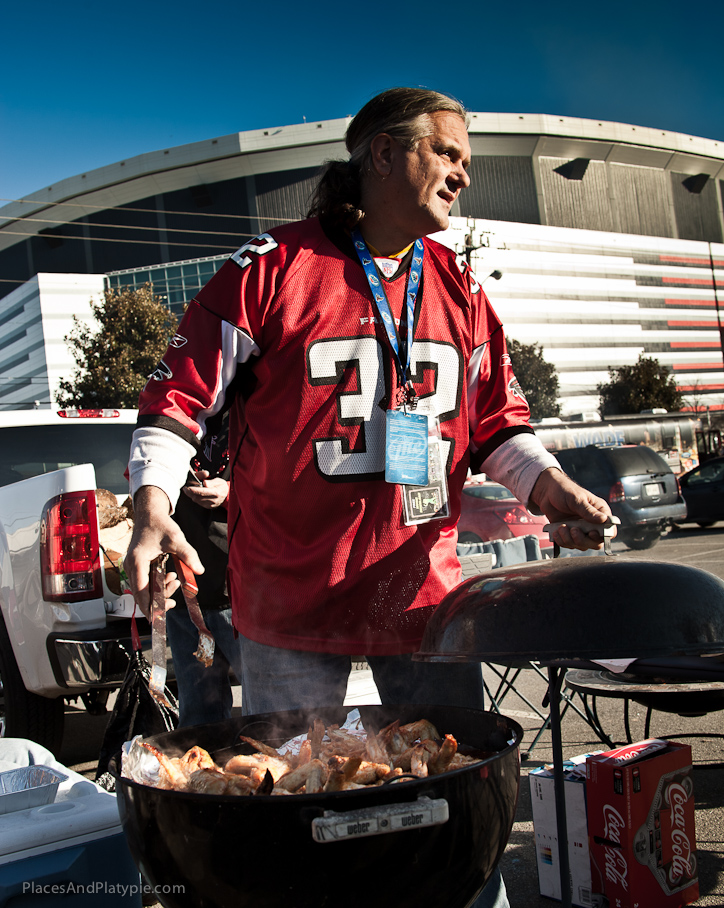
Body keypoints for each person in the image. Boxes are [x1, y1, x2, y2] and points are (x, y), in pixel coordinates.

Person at [125, 87, 612, 908]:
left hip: (422, 596)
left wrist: (550, 485)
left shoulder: (460, 286)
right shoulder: (269, 269)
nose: (463, 174)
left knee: (454, 809)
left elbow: (497, 422)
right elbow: (177, 400)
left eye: (466, 160)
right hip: (292, 595)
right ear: (384, 153)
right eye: (447, 152)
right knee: (298, 813)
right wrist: (151, 508)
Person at [166, 411, 244, 727]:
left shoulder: (249, 402)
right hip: (186, 601)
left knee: (268, 717)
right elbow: (142, 478)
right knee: (199, 721)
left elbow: (285, 483)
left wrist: (230, 493)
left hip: (241, 596)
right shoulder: (169, 412)